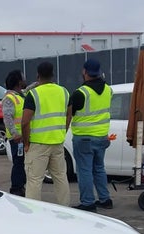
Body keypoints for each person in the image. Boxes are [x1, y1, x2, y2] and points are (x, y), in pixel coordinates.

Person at [21, 61, 71, 207]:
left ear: (38, 76)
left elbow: (25, 122)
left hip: (38, 144)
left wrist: (26, 143)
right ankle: (66, 209)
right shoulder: (64, 92)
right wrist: (63, 131)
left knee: (34, 180)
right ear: (52, 74)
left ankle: (34, 212)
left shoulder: (34, 94)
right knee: (61, 177)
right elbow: (69, 115)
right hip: (57, 142)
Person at [68, 58, 113, 211]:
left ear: (85, 72)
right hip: (102, 137)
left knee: (84, 171)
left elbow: (69, 114)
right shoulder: (108, 90)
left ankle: (88, 202)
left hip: (84, 138)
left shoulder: (80, 93)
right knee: (99, 168)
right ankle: (105, 199)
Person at [1, 69, 28, 196]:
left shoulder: (19, 95)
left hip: (22, 138)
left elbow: (28, 89)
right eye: (22, 78)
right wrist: (15, 133)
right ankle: (16, 188)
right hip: (16, 139)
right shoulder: (9, 98)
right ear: (18, 82)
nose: (24, 80)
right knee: (18, 163)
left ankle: (20, 186)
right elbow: (7, 117)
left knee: (21, 162)